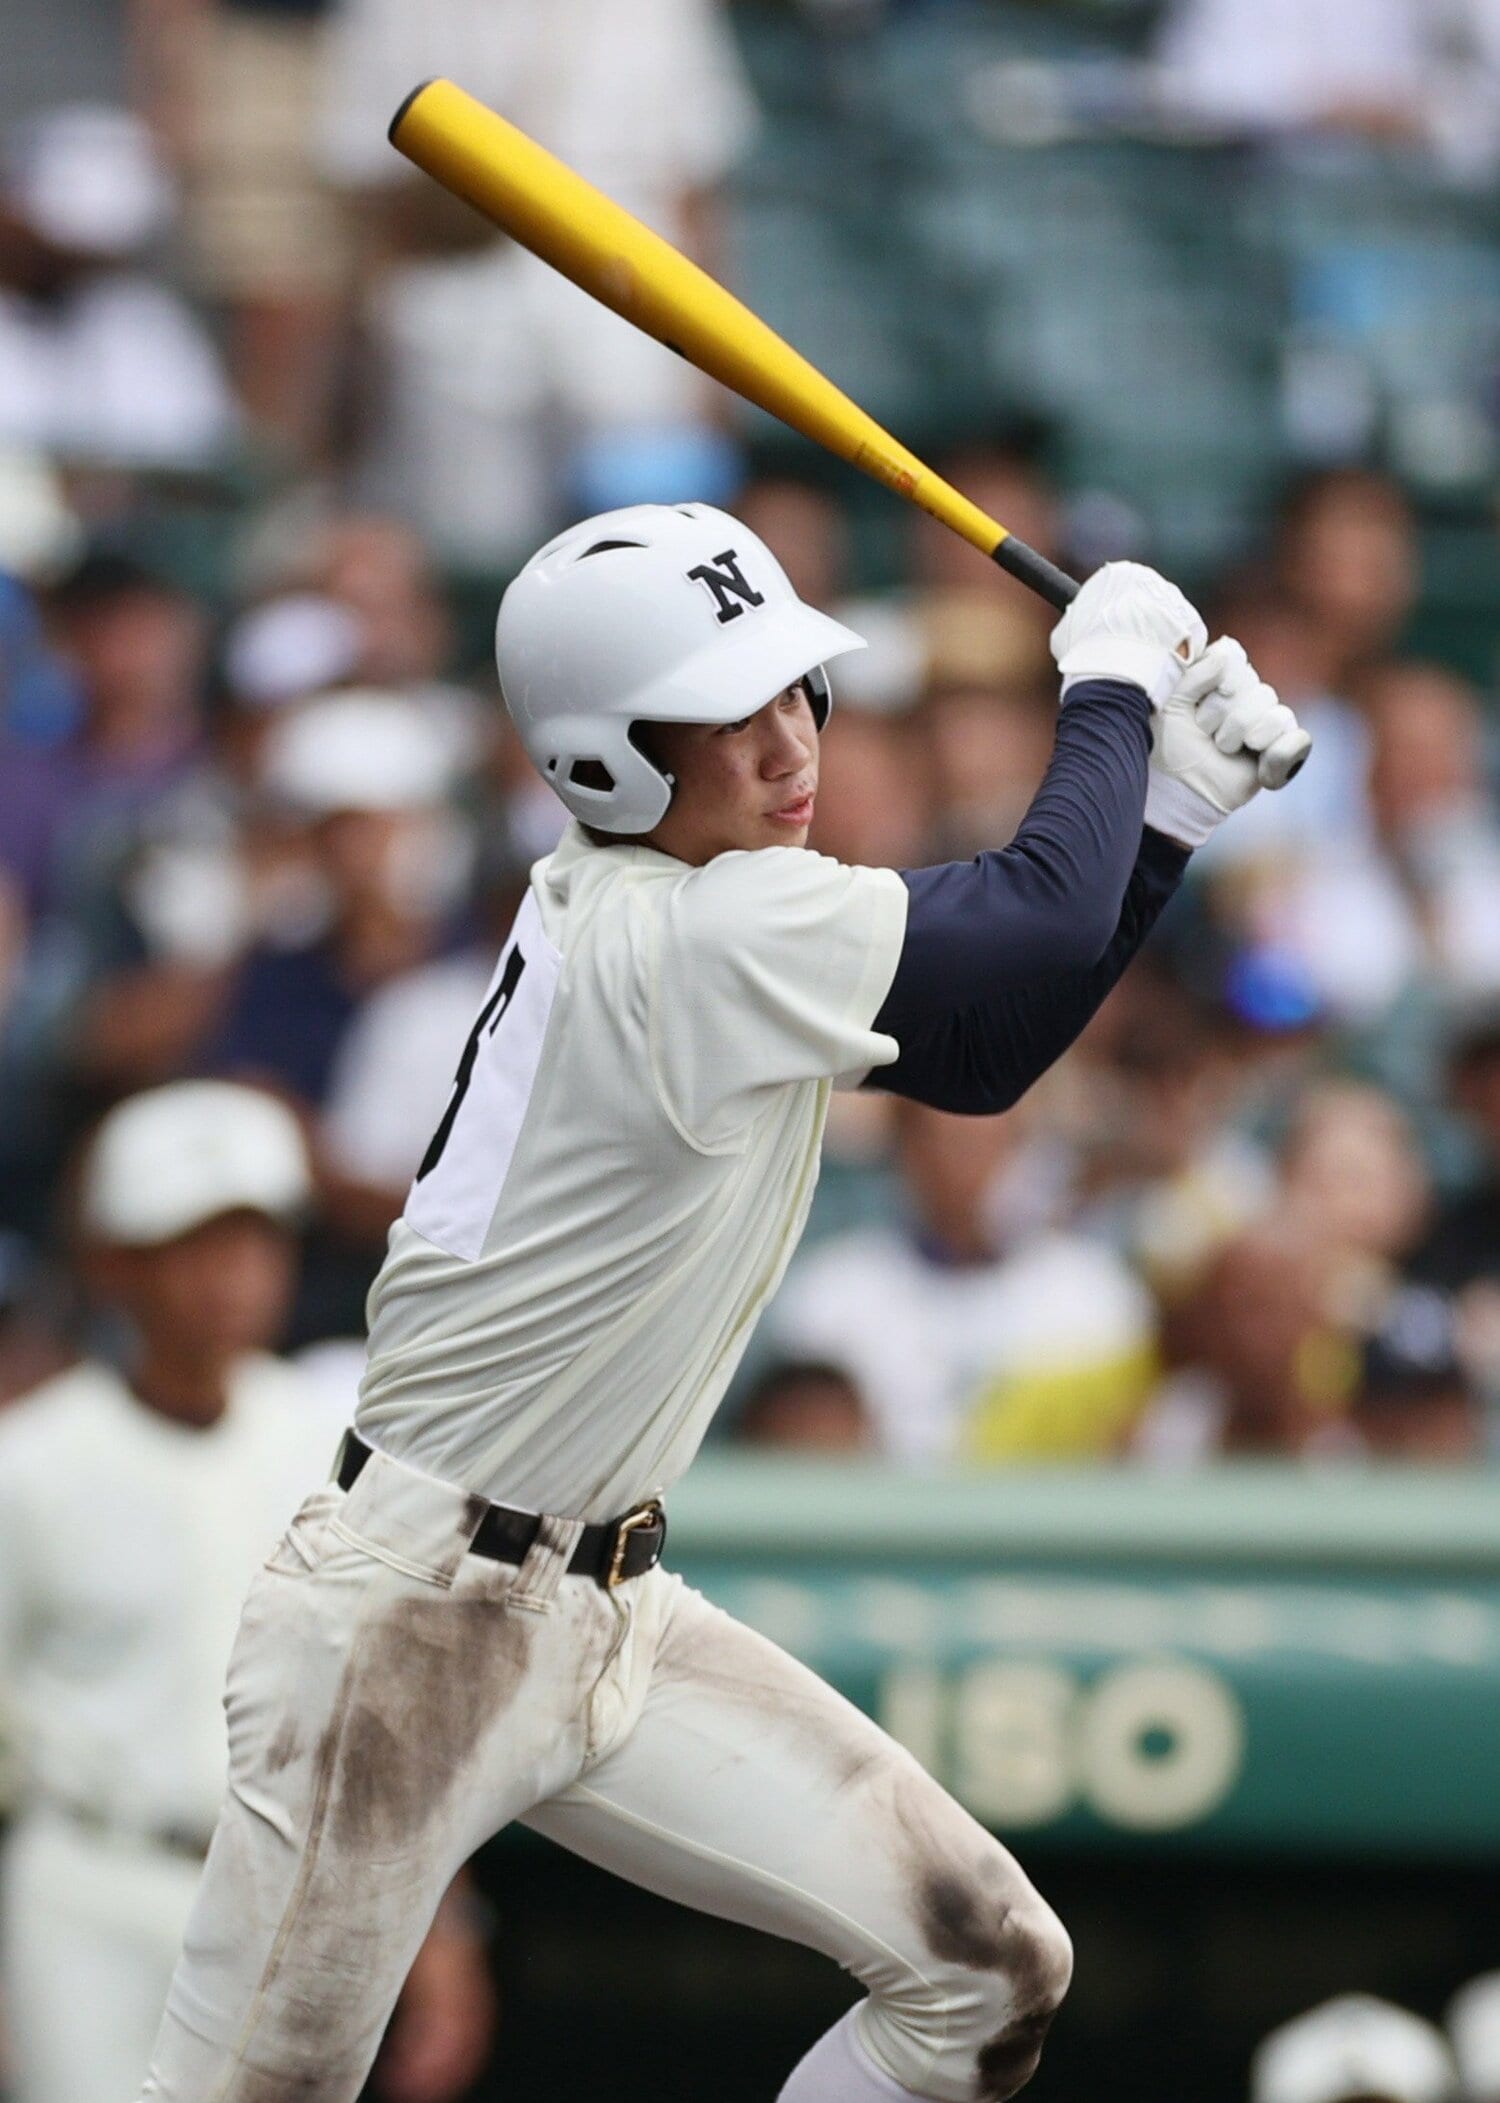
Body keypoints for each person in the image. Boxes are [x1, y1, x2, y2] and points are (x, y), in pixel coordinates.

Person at [135, 502, 1308, 2102]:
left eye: (795, 691)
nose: (785, 742)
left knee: (983, 1968)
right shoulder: (682, 928)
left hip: (606, 1604)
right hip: (403, 1625)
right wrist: (1106, 688)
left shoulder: (726, 904)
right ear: (606, 758)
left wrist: (1160, 807)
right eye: (723, 712)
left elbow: (984, 1057)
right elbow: (1033, 916)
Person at [0, 1080, 494, 2103]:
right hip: (89, 1883)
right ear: (115, 1267)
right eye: (194, 1245)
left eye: (257, 1242)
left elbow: (387, 1706)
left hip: (286, 1894)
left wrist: (443, 1930)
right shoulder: (30, 1463)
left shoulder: (328, 1445)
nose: (232, 1277)